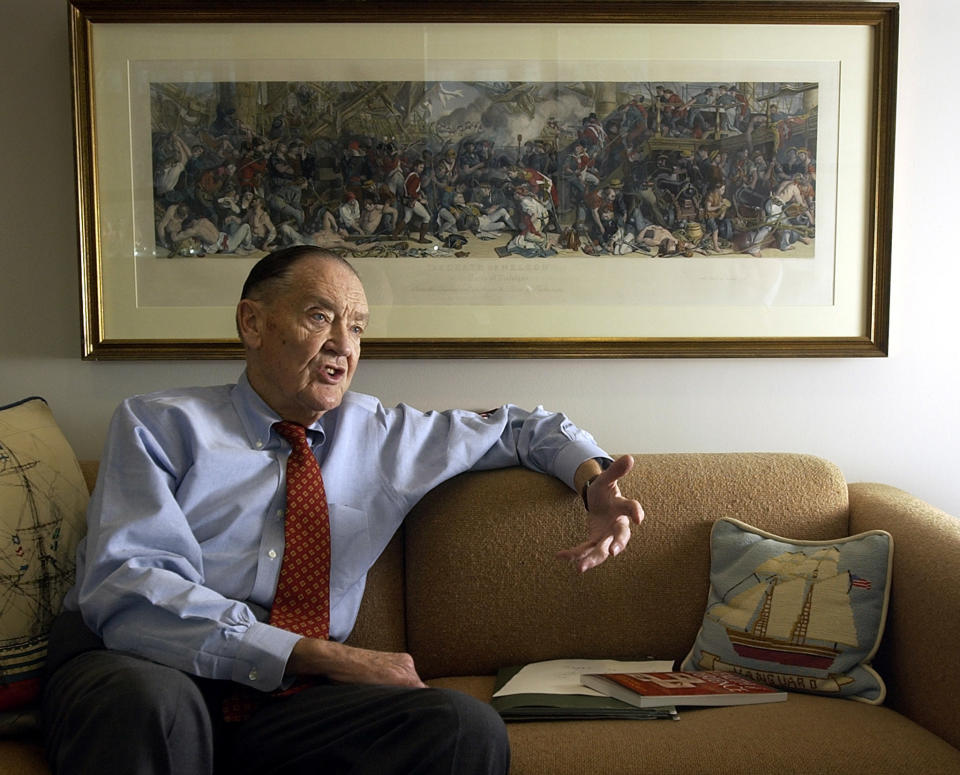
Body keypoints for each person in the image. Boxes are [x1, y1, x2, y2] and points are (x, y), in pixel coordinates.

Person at [41, 245, 644, 775]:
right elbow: (130, 589)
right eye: (319, 316)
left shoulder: (381, 434)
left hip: (286, 702)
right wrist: (318, 654)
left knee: (461, 726)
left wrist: (592, 485)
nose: (343, 346)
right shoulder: (159, 424)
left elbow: (522, 428)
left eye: (356, 328)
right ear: (252, 322)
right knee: (148, 704)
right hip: (146, 665)